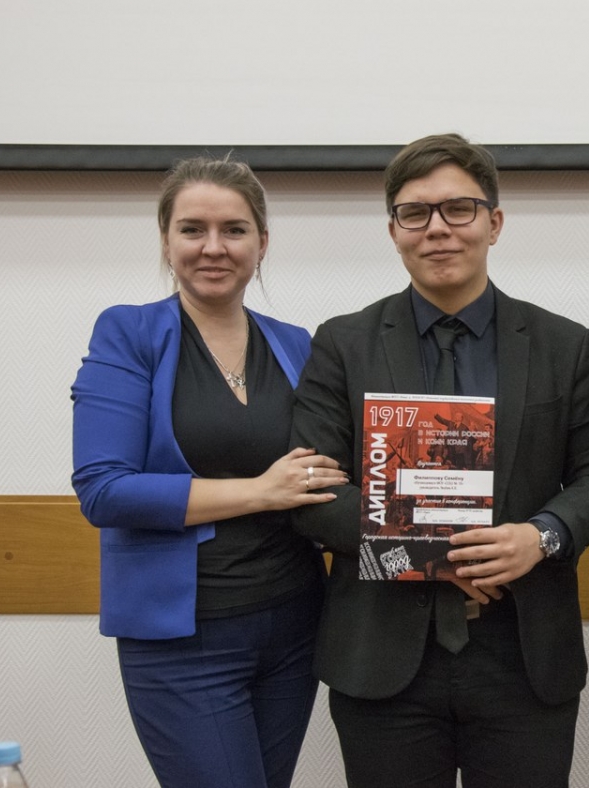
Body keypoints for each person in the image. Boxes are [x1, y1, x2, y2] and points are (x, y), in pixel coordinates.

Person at [289, 133, 589, 788]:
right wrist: (439, 553)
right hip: (383, 658)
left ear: (494, 223)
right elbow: (315, 491)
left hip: (523, 653)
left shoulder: (564, 345)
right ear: (394, 231)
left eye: (458, 209)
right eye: (415, 213)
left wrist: (541, 536)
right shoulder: (342, 344)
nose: (437, 228)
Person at [71, 157, 348, 788]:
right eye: (193, 229)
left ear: (262, 243)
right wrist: (260, 492)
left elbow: (332, 468)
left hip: (294, 626)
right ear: (166, 241)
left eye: (234, 230)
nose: (214, 247)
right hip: (183, 640)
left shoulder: (296, 343)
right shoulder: (129, 333)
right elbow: (104, 490)